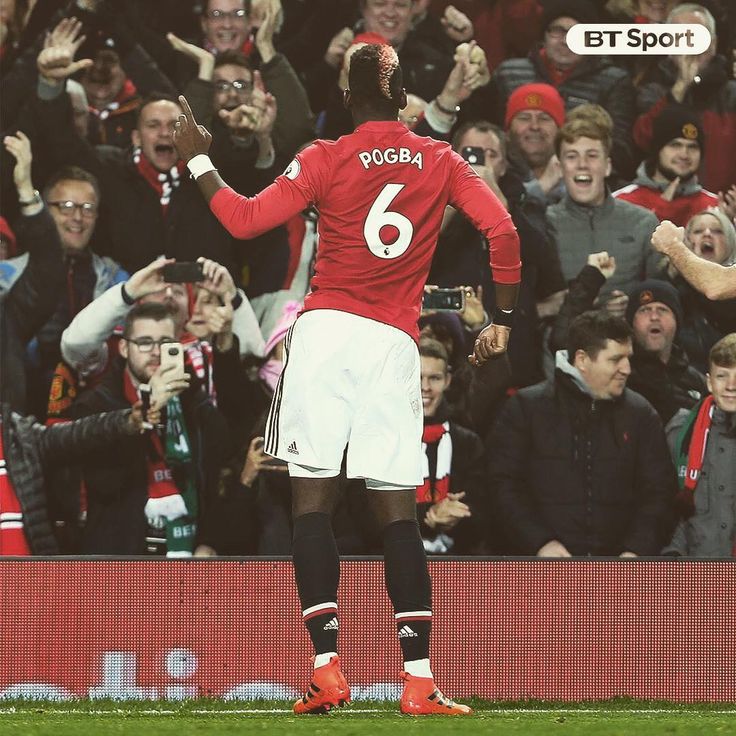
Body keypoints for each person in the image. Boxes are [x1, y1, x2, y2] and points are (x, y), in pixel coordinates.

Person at [173, 43, 521, 716]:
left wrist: (197, 155)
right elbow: (502, 232)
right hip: (393, 341)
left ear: (347, 91)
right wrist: (500, 317)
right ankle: (418, 680)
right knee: (397, 514)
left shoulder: (323, 155)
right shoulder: (440, 158)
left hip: (327, 337)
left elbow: (243, 218)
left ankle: (327, 668)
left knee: (313, 506)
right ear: (400, 94)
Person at [489, 310, 676, 557]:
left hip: (620, 573)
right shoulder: (526, 409)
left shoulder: (641, 414)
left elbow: (660, 491)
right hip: (540, 569)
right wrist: (540, 543)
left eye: (628, 358)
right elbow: (502, 484)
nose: (627, 369)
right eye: (615, 359)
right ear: (582, 360)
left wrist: (636, 549)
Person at [663, 333, 736, 557]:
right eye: (722, 376)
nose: (731, 386)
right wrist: (673, 555)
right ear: (709, 382)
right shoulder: (681, 432)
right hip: (697, 577)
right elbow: (669, 509)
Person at [613, 105, 718, 226]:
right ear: (657, 150)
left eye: (692, 147)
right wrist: (661, 210)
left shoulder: (714, 207)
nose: (684, 155)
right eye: (675, 145)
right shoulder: (622, 202)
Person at [625, 279, 706, 424]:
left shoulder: (695, 380)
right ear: (632, 323)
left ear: (677, 322)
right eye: (645, 310)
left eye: (663, 310)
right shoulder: (622, 375)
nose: (654, 317)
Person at [652, 220, 736, 300]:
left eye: (717, 231)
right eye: (698, 231)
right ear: (688, 240)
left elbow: (717, 286)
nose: (707, 234)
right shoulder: (668, 280)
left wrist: (672, 245)